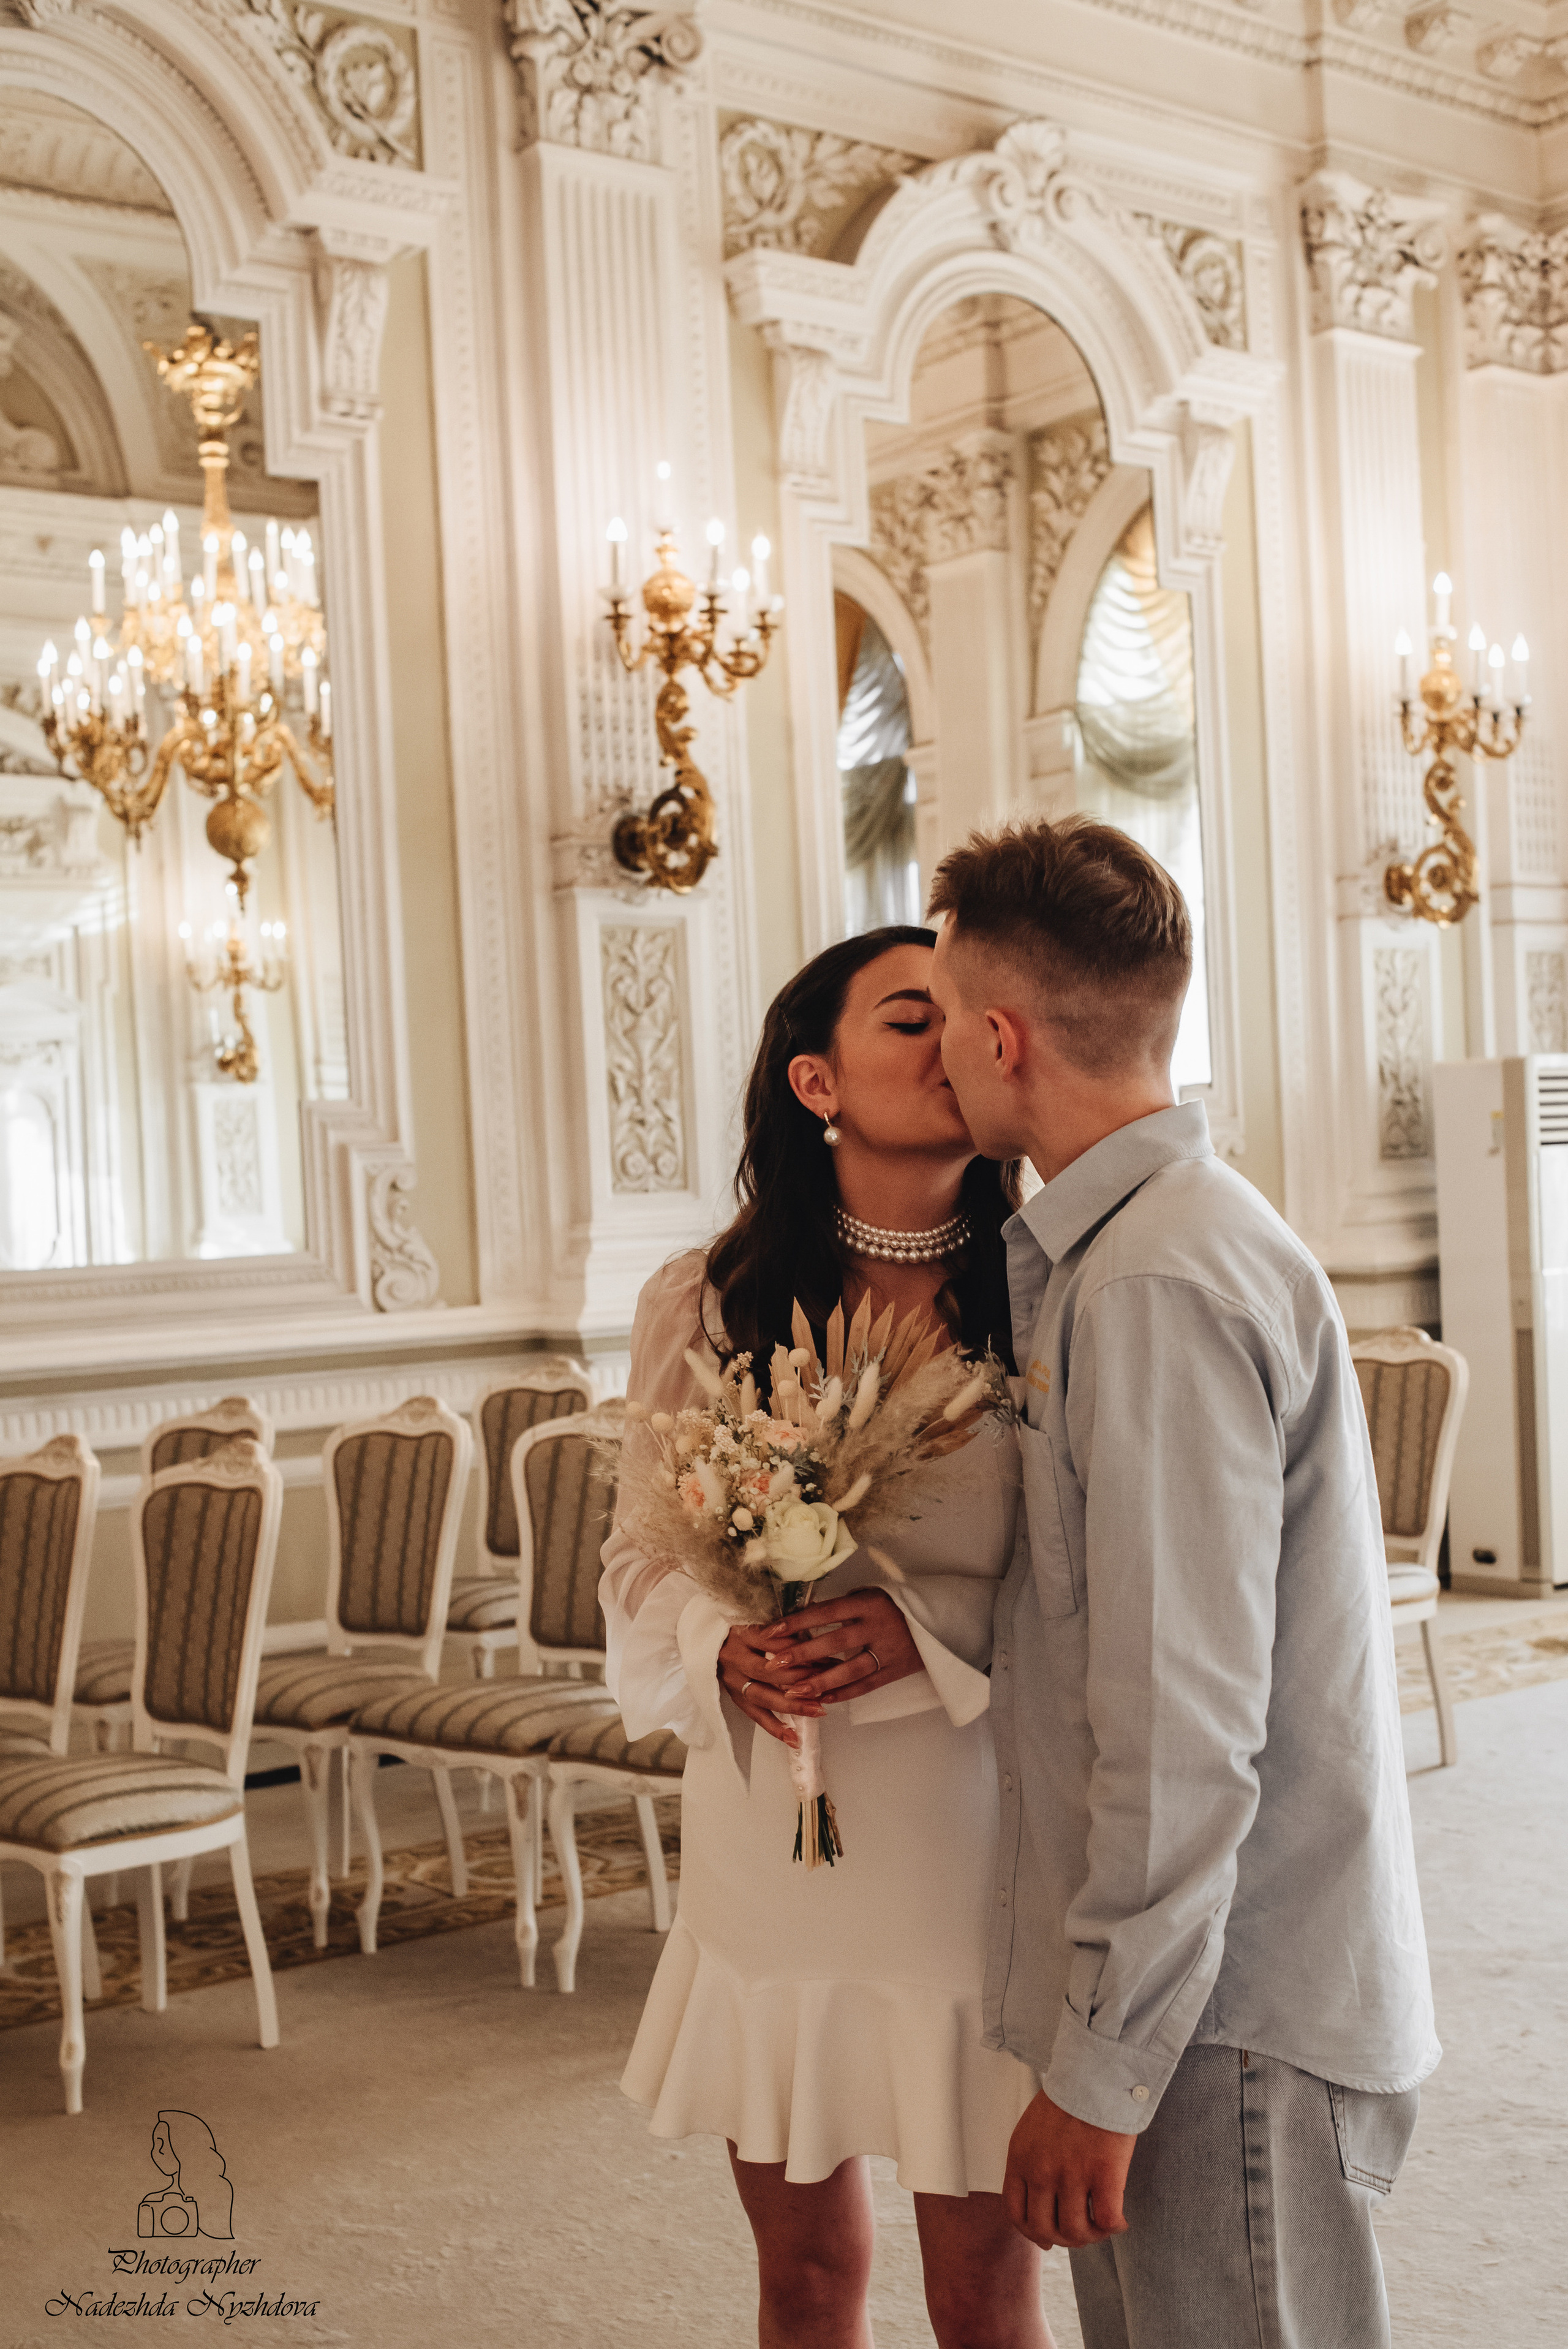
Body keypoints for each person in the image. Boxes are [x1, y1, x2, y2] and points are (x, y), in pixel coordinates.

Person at [925, 815, 1439, 2349]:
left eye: (942, 1016)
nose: (938, 1050)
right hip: (1200, 2012)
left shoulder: (1154, 1280)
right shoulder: (1138, 1248)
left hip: (1221, 2026)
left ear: (1002, 1037)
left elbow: (1180, 1719)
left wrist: (1103, 2066)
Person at [600, 925, 1057, 2349]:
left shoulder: (1051, 1293)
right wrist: (715, 1643)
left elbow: (1114, 1580)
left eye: (970, 1016)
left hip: (968, 1817)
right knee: (801, 2279)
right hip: (773, 1823)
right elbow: (633, 1558)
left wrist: (929, 1633)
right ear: (816, 1082)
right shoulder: (705, 1299)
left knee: (985, 2288)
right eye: (912, 1019)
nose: (956, 1042)